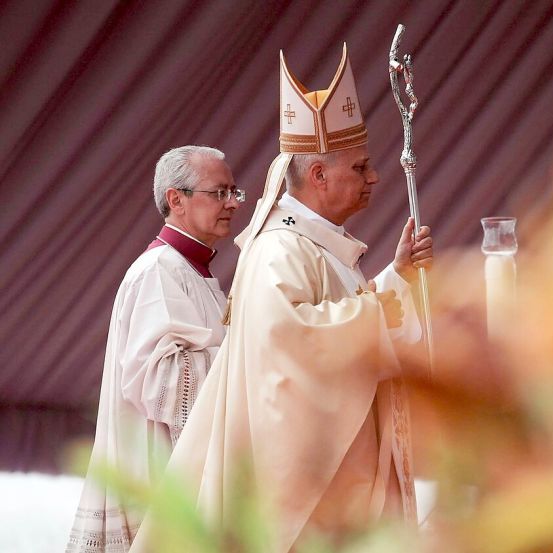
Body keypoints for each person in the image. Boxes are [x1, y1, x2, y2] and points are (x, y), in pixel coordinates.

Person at [130, 45, 433, 551]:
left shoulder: (315, 246)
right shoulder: (279, 250)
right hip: (313, 494)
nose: (373, 177)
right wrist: (380, 311)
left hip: (346, 477)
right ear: (318, 175)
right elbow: (292, 342)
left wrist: (396, 277)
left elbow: (337, 322)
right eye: (359, 168)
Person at [66, 145, 243, 553]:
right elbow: (161, 383)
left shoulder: (194, 273)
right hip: (159, 474)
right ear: (175, 199)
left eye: (235, 191)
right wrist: (249, 356)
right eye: (219, 192)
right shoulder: (159, 270)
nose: (232, 203)